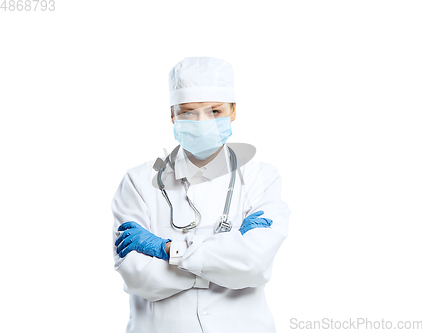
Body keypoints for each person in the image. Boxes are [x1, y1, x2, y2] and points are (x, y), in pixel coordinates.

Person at [111, 57, 290, 333]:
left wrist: (166, 249)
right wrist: (225, 261)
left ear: (233, 111)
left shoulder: (261, 179)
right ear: (172, 114)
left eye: (215, 111)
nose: (201, 122)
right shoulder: (138, 181)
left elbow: (253, 264)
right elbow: (137, 276)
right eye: (188, 112)